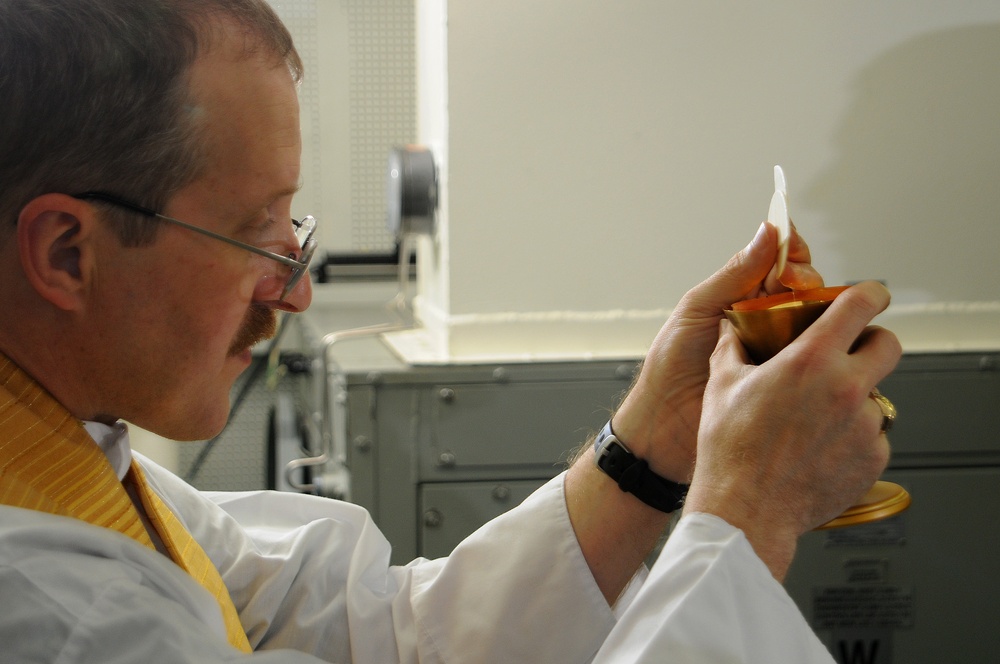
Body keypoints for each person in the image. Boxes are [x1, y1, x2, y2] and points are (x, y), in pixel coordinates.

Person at [0, 0, 901, 662]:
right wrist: (745, 519)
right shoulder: (62, 616)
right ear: (68, 253)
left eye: (294, 226)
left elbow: (382, 638)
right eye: (252, 231)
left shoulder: (71, 458)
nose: (296, 292)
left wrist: (653, 446)